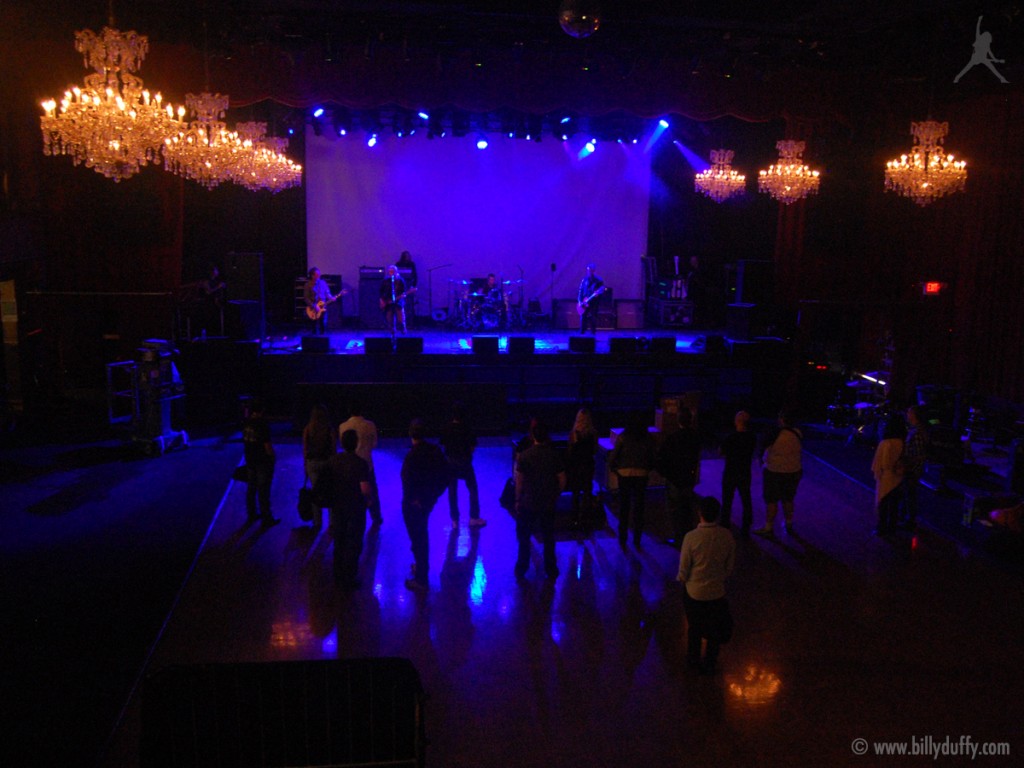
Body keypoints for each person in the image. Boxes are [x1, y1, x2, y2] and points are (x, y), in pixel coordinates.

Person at [678, 496, 736, 675]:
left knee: (694, 628)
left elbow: (684, 569)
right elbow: (729, 568)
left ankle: (693, 661)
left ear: (699, 513)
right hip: (717, 592)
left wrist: (684, 581)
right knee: (714, 630)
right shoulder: (727, 535)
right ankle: (710, 661)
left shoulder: (691, 537)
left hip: (694, 592)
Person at [315, 429, 371, 589]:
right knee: (354, 543)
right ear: (356, 443)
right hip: (356, 508)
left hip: (337, 506)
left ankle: (338, 575)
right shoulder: (361, 464)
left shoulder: (333, 461)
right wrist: (369, 500)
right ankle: (349, 577)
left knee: (339, 541)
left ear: (342, 442)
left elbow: (323, 483)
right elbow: (365, 489)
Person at [401, 419, 450, 592]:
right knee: (421, 535)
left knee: (418, 537)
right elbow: (446, 476)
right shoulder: (435, 451)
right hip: (427, 501)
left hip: (414, 504)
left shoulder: (411, 456)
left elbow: (406, 481)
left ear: (410, 434)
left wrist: (416, 499)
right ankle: (421, 568)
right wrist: (432, 496)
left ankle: (421, 579)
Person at [514, 420, 566, 579]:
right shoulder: (554, 455)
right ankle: (551, 568)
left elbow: (519, 481)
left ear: (533, 435)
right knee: (549, 536)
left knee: (524, 537)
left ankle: (522, 567)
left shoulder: (524, 456)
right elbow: (562, 479)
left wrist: (517, 499)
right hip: (548, 501)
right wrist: (556, 494)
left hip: (529, 501)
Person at [609, 411, 657, 548]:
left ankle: (623, 538)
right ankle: (637, 539)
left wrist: (615, 469)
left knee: (624, 506)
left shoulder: (623, 437)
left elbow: (614, 457)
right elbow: (652, 458)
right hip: (642, 474)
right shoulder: (648, 438)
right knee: (639, 507)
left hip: (624, 474)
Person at [754, 409, 802, 538]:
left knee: (772, 500)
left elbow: (764, 448)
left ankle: (769, 526)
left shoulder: (775, 434)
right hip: (793, 471)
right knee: (788, 498)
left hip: (774, 471)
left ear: (781, 419)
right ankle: (788, 523)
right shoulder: (798, 433)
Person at [657, 408, 701, 547]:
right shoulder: (695, 437)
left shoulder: (672, 438)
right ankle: (688, 538)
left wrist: (665, 474)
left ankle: (678, 538)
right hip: (688, 477)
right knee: (687, 509)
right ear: (691, 420)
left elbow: (662, 457)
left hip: (674, 479)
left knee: (675, 510)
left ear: (678, 421)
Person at [441, 401, 486, 527]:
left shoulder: (447, 428)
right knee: (472, 488)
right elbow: (472, 446)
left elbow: (443, 444)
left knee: (452, 491)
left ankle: (454, 520)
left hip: (450, 463)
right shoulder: (467, 428)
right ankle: (474, 517)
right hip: (465, 462)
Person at [338, 402, 382, 524]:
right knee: (371, 489)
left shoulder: (343, 426)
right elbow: (374, 444)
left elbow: (343, 445)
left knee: (350, 491)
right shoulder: (370, 425)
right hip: (367, 463)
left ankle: (352, 517)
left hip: (349, 465)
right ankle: (376, 516)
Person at [242, 397, 279, 528]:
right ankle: (266, 517)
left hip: (250, 459)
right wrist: (273, 458)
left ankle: (251, 514)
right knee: (264, 490)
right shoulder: (262, 424)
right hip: (262, 461)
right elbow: (267, 446)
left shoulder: (246, 422)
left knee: (251, 488)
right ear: (262, 410)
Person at [720, 410, 757, 537]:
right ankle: (746, 527)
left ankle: (725, 524)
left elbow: (721, 452)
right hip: (744, 472)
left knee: (727, 500)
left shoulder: (730, 437)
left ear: (737, 422)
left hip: (730, 472)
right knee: (746, 499)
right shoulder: (752, 438)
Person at [302, 403, 337, 531]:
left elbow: (305, 450)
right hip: (327, 463)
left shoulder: (307, 429)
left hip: (312, 463)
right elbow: (333, 449)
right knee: (330, 492)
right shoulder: (329, 429)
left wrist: (305, 466)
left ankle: (317, 522)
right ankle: (332, 522)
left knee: (316, 493)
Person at [872, 417, 906, 535]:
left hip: (886, 476)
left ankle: (881, 528)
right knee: (894, 505)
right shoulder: (902, 442)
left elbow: (883, 462)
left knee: (883, 502)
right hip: (898, 477)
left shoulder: (885, 443)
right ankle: (892, 529)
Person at [566, 408, 598, 527]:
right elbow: (594, 450)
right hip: (588, 465)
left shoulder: (574, 434)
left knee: (575, 493)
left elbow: (570, 452)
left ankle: (574, 518)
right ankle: (585, 517)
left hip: (576, 466)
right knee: (587, 492)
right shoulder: (593, 433)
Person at [899, 405, 930, 530]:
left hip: (912, 469)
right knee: (908, 494)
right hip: (913, 468)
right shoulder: (917, 430)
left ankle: (909, 521)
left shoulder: (917, 432)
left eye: (910, 413)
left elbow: (917, 454)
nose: (907, 414)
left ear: (915, 415)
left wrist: (906, 465)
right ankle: (905, 517)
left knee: (910, 495)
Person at [954, 16, 1008, 84]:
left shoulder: (987, 44)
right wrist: (979, 20)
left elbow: (990, 52)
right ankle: (957, 77)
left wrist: (995, 59)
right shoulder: (978, 39)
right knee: (967, 68)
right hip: (975, 58)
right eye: (987, 37)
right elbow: (977, 29)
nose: (988, 39)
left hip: (983, 58)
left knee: (992, 67)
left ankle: (1002, 79)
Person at [379, 264, 409, 338]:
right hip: (388, 301)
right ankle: (392, 332)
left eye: (393, 271)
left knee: (400, 317)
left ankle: (403, 330)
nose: (391, 273)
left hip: (398, 301)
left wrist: (401, 296)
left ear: (396, 272)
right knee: (389, 318)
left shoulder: (400, 280)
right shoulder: (386, 280)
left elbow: (404, 292)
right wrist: (382, 300)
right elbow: (381, 291)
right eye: (390, 271)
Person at [304, 267, 334, 335]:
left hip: (323, 306)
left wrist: (331, 297)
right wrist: (314, 306)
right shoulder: (308, 285)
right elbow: (306, 298)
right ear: (312, 275)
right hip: (313, 307)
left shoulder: (323, 283)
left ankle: (322, 337)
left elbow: (327, 292)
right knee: (313, 324)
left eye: (319, 274)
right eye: (317, 274)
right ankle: (314, 338)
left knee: (322, 322)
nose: (319, 276)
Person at [577, 263, 606, 335]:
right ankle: (582, 333)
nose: (589, 272)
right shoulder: (584, 280)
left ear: (594, 271)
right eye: (588, 270)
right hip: (584, 302)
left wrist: (597, 294)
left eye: (591, 270)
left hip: (593, 302)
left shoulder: (599, 281)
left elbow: (601, 290)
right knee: (583, 317)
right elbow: (580, 290)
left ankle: (593, 334)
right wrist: (580, 301)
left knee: (593, 317)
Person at [397, 250, 418, 326]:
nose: (408, 257)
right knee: (399, 303)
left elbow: (414, 275)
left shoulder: (411, 264)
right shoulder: (398, 264)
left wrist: (414, 285)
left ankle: (410, 321)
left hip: (409, 285)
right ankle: (399, 322)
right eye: (406, 255)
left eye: (408, 255)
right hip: (400, 285)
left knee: (410, 303)